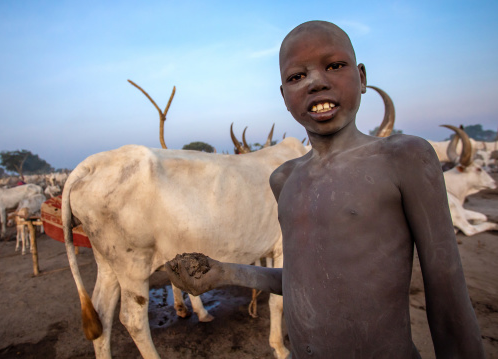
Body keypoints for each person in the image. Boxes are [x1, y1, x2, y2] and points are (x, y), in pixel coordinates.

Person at [166, 21, 485, 358]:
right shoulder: (284, 179)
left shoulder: (404, 157)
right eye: (296, 77)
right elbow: (304, 281)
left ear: (361, 78)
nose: (316, 82)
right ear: (284, 96)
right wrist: (227, 272)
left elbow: (447, 294)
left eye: (334, 66)